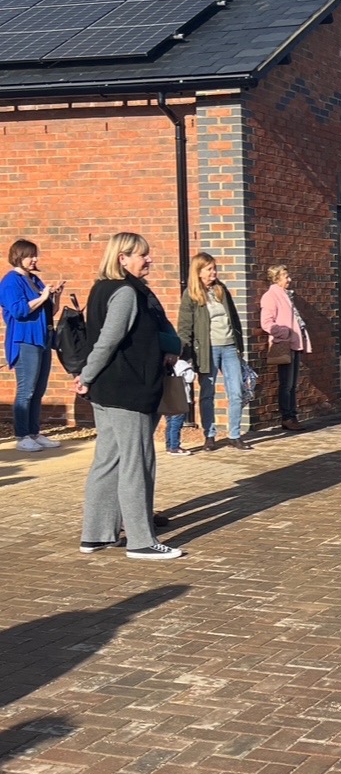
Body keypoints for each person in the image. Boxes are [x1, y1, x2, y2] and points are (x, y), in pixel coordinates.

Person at [78, 231, 181, 560]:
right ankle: (140, 540)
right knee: (137, 463)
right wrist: (86, 376)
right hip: (127, 388)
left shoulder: (102, 289)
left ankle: (95, 535)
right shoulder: (125, 292)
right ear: (122, 258)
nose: (148, 259)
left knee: (108, 461)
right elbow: (108, 341)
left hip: (109, 390)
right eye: (142, 255)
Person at [173, 254, 251, 454]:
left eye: (214, 268)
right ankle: (210, 435)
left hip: (229, 347)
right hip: (207, 350)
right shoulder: (190, 295)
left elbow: (233, 318)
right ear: (198, 272)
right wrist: (184, 354)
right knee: (207, 393)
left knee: (236, 391)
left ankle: (234, 435)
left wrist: (239, 346)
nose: (214, 273)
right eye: (209, 269)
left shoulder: (221, 290)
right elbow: (184, 327)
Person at [2, 238, 63, 451]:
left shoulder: (35, 280)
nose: (35, 259)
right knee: (26, 389)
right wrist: (43, 296)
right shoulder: (11, 282)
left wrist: (54, 297)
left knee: (39, 390)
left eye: (35, 255)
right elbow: (19, 311)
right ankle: (22, 435)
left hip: (42, 339)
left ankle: (34, 432)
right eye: (30, 255)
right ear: (19, 257)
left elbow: (49, 312)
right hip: (24, 340)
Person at [259, 266, 308, 434]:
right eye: (286, 276)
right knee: (286, 384)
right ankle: (287, 417)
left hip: (293, 344)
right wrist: (285, 332)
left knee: (293, 384)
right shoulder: (270, 297)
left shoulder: (287, 295)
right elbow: (266, 323)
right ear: (276, 278)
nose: (289, 280)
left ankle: (293, 416)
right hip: (284, 344)